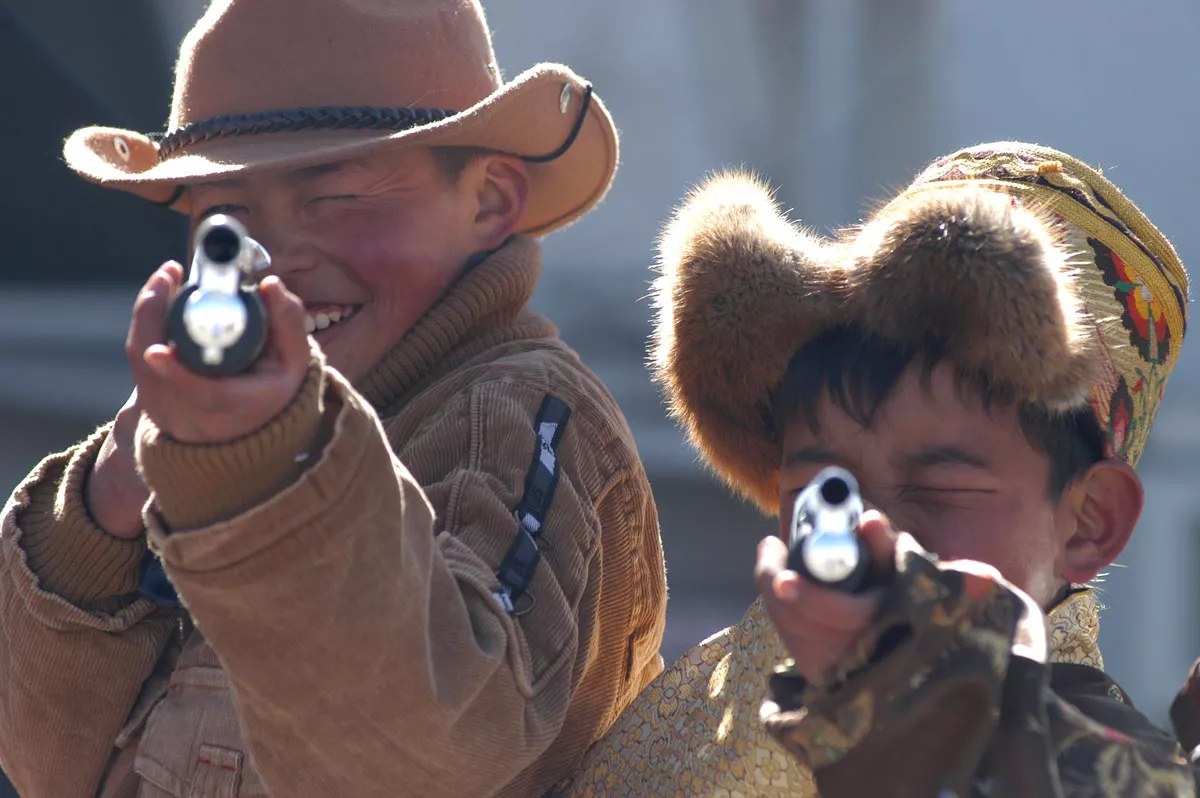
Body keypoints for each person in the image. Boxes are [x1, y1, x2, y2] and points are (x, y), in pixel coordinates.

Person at [0, 1, 667, 796]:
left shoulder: (515, 417)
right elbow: (48, 765)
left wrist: (266, 478)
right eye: (227, 218)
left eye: (334, 197)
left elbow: (434, 749)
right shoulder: (186, 446)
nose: (275, 261)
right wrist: (102, 511)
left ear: (490, 201)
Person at [565, 142, 1197, 796]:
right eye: (819, 487)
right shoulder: (720, 678)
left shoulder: (1081, 768)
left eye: (938, 489)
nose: (869, 524)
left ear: (1092, 522)